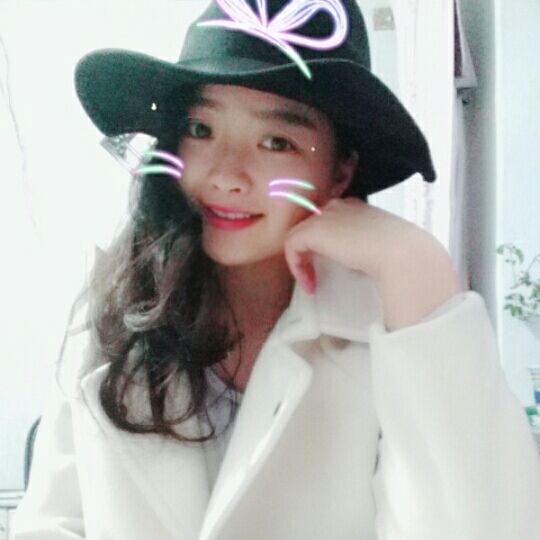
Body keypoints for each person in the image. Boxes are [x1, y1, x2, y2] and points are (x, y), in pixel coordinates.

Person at [12, 0, 540, 539]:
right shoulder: (120, 308)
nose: (227, 175)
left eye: (276, 142)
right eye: (201, 128)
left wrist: (416, 265)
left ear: (340, 171)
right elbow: (52, 522)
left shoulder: (388, 329)